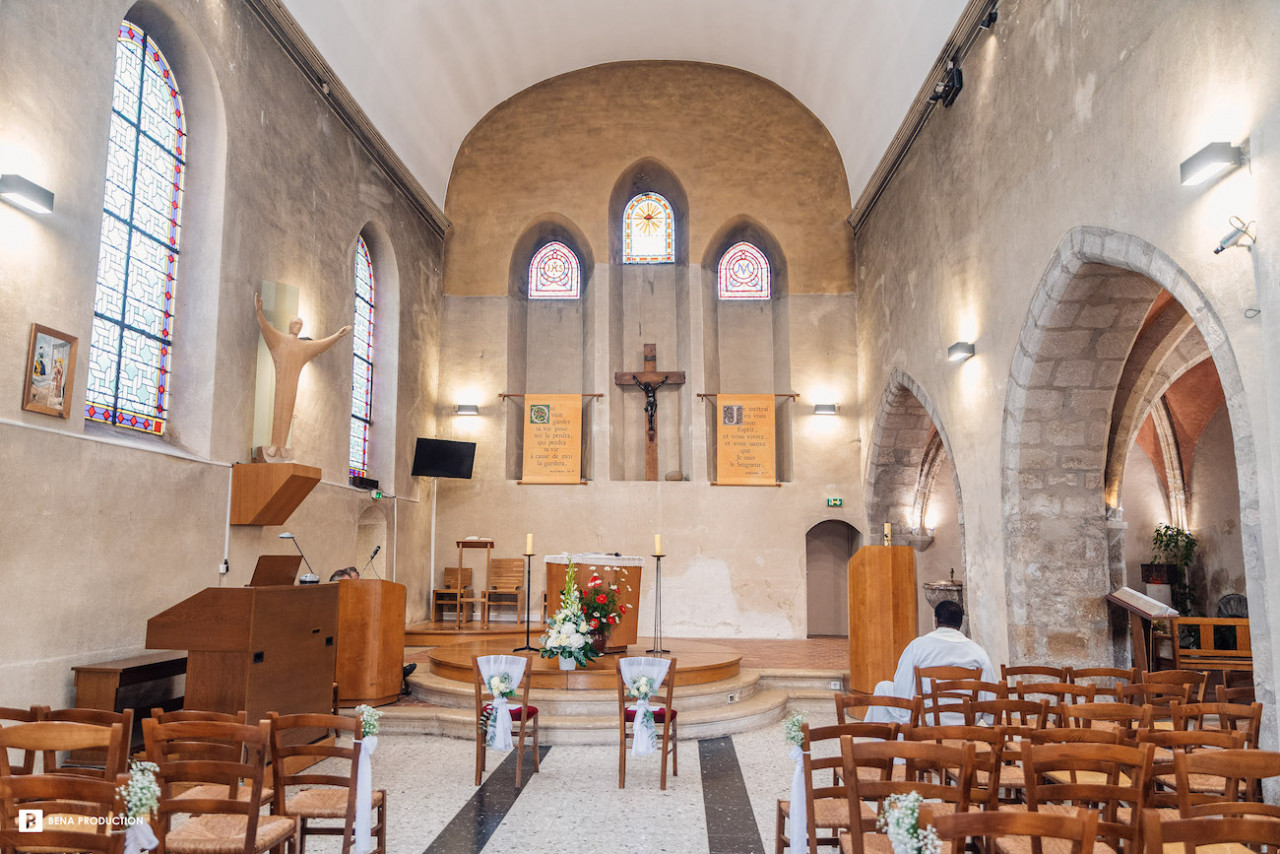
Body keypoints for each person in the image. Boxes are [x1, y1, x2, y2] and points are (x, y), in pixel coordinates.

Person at [863, 599, 997, 724]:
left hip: (928, 719)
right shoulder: (978, 652)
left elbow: (902, 687)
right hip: (966, 719)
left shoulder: (918, 646)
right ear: (960, 623)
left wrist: (907, 713)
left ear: (936, 620)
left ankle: (887, 746)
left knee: (882, 688)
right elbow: (990, 693)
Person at [255, 292, 351, 460]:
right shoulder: (279, 339)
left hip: (292, 384)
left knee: (288, 412)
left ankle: (282, 446)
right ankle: (274, 444)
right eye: (295, 323)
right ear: (290, 325)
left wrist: (338, 335)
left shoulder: (303, 346)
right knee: (278, 409)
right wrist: (259, 313)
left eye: (300, 324)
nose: (298, 326)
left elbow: (320, 345)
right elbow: (266, 329)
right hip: (279, 382)